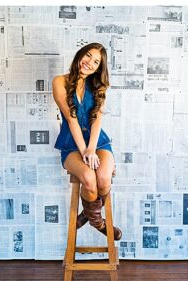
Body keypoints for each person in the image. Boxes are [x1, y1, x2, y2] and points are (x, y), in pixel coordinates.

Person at [52, 43, 121, 240]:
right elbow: (71, 118)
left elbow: (97, 119)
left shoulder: (97, 86)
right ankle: (98, 222)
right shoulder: (60, 81)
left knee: (104, 179)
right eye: (88, 56)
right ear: (80, 55)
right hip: (71, 144)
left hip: (98, 142)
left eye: (96, 62)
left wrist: (92, 148)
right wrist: (84, 151)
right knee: (89, 179)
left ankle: (89, 213)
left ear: (99, 68)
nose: (89, 62)